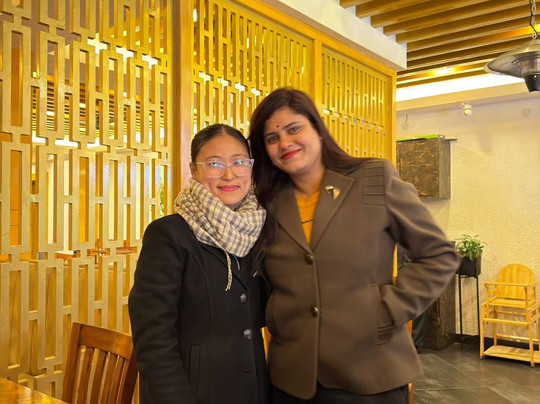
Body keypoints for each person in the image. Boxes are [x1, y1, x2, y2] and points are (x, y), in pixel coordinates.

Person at [248, 88, 460, 403]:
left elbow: (438, 255)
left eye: (293, 129)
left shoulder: (373, 178)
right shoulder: (266, 204)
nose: (285, 143)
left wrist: (389, 310)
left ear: (318, 129)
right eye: (272, 138)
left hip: (370, 372)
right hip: (292, 378)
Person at [129, 124, 269, 404]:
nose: (229, 174)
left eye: (239, 162)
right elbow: (153, 340)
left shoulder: (258, 233)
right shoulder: (169, 234)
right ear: (194, 170)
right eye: (215, 163)